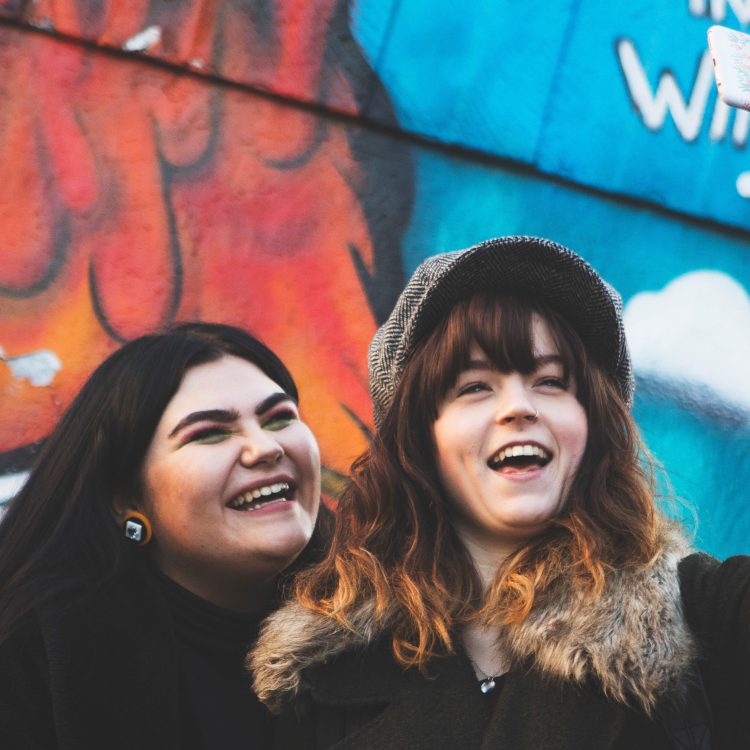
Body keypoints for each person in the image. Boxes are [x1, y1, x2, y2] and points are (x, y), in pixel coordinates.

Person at [251, 236, 749, 749]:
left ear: (592, 424)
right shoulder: (322, 672)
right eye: (474, 386)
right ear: (420, 439)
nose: (519, 407)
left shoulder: (703, 615)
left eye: (552, 381)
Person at [0, 322, 327, 750]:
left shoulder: (391, 618)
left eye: (280, 417)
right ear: (126, 499)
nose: (265, 448)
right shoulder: (32, 657)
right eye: (209, 433)